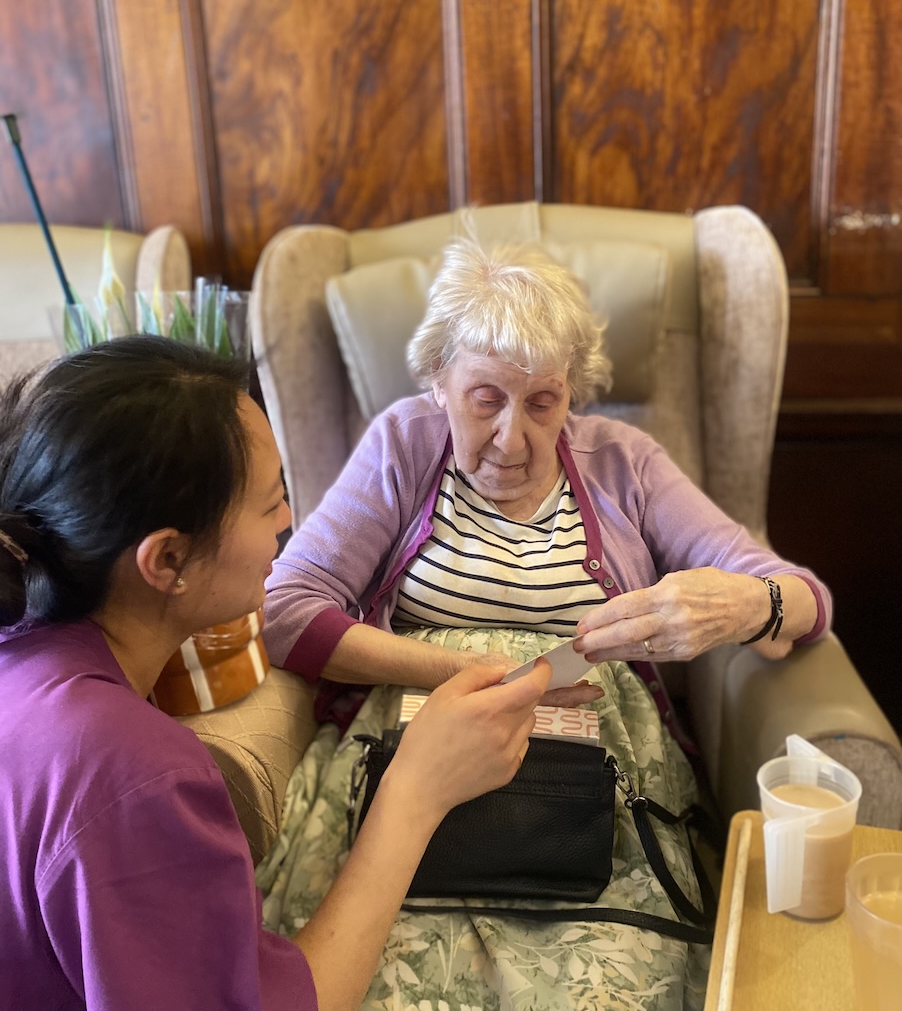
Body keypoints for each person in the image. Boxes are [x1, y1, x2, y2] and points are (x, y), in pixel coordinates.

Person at [259, 237, 832, 1011]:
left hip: (599, 775)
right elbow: (286, 613)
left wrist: (744, 604)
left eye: (542, 402)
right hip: (411, 756)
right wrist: (460, 673)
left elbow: (801, 596)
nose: (512, 438)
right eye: (486, 398)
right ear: (439, 382)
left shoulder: (625, 461)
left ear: (573, 396)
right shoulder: (401, 443)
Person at [0, 336, 551, 1011]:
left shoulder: (25, 655)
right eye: (270, 503)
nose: (290, 522)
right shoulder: (133, 774)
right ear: (166, 559)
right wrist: (416, 790)